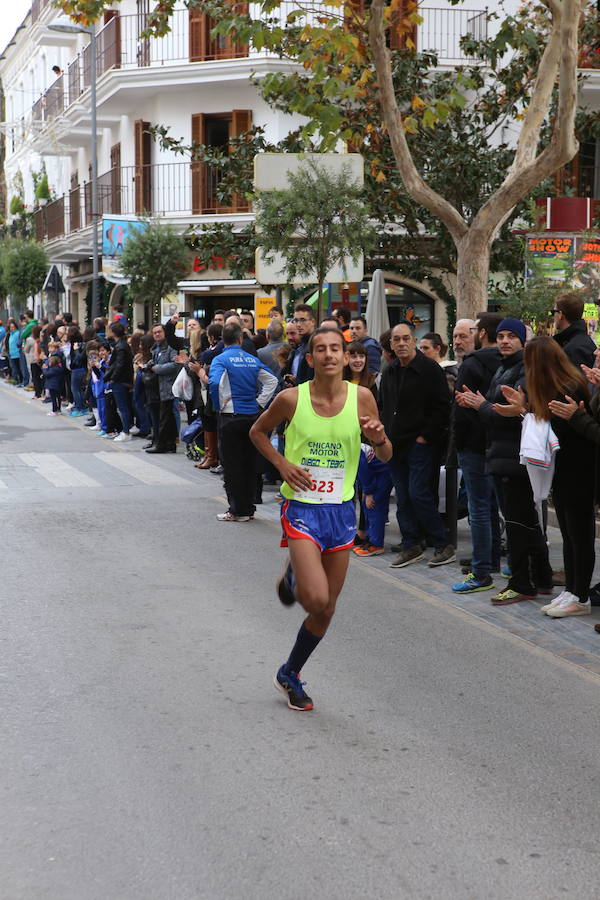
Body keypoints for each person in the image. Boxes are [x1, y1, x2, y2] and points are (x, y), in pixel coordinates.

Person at [250, 327, 392, 711]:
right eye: (321, 350)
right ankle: (297, 572)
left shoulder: (362, 397)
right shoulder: (291, 399)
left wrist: (378, 438)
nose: (329, 355)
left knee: (327, 609)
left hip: (342, 512)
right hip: (301, 509)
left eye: (336, 349)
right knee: (315, 600)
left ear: (346, 358)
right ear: (310, 359)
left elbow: (385, 454)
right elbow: (258, 432)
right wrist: (282, 464)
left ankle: (289, 673)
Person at [456, 317, 553, 605]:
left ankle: (522, 582)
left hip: (515, 456)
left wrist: (482, 405)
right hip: (500, 453)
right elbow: (495, 411)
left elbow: (510, 413)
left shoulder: (524, 369)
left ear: (524, 340)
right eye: (501, 336)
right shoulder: (504, 367)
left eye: (512, 335)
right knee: (525, 522)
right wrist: (480, 406)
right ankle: (543, 578)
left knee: (518, 523)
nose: (505, 341)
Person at [379, 321, 454, 569]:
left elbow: (443, 406)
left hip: (421, 443)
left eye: (406, 338)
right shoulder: (390, 371)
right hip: (395, 444)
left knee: (419, 493)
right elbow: (384, 406)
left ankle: (442, 543)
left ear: (413, 340)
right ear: (391, 344)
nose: (401, 343)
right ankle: (411, 543)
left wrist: (425, 437)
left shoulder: (430, 369)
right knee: (402, 497)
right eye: (396, 339)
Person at [451, 313, 503, 593]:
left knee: (479, 509)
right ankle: (490, 559)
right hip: (496, 443)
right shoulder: (508, 362)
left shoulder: (473, 364)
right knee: (490, 506)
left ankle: (482, 570)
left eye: (465, 335)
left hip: (474, 446)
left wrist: (459, 443)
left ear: (480, 333)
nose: (459, 341)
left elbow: (463, 411)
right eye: (455, 336)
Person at [208, 322, 278, 521]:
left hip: (230, 417)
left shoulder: (220, 359)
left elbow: (214, 382)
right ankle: (248, 509)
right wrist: (259, 403)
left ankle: (236, 510)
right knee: (249, 463)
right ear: (240, 339)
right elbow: (272, 380)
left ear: (223, 339)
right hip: (252, 418)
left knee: (232, 466)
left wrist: (218, 405)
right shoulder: (251, 359)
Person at [143, 324, 181, 453]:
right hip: (158, 388)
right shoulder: (156, 348)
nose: (157, 334)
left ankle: (162, 444)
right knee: (165, 417)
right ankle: (168, 444)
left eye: (159, 332)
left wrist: (156, 368)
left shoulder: (171, 346)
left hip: (168, 386)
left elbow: (176, 364)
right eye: (154, 333)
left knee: (166, 417)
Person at [103, 321, 134, 442]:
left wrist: (113, 378)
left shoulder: (120, 346)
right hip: (121, 380)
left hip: (120, 381)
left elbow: (119, 365)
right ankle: (125, 430)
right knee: (123, 407)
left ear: (113, 332)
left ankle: (126, 431)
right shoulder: (121, 345)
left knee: (123, 407)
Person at [552, 291, 596, 369]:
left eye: (553, 312)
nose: (553, 316)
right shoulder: (576, 341)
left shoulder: (574, 349)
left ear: (560, 315)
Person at [282, 303, 316, 386]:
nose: (298, 324)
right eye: (296, 320)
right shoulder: (297, 347)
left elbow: (314, 379)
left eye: (303, 320)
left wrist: (297, 382)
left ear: (312, 321)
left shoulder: (316, 345)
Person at [348, 315, 382, 383]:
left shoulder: (371, 347)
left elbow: (373, 373)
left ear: (365, 330)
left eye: (358, 328)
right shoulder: (351, 345)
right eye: (351, 328)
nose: (354, 331)